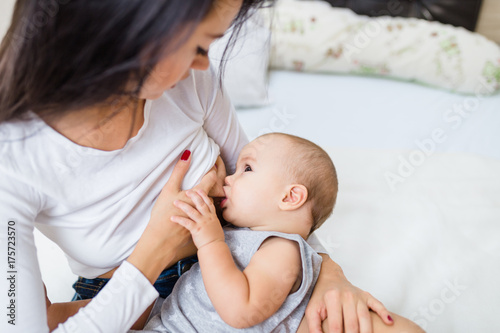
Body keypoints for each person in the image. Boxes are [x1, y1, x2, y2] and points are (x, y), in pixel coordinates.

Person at [0, 1, 394, 332]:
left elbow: (277, 189)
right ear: (136, 35)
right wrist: (155, 249)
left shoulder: (188, 83)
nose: (203, 66)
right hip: (128, 304)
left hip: (248, 265)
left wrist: (326, 270)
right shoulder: (12, 163)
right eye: (200, 47)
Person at [137, 133, 424, 333]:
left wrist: (210, 240)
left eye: (246, 168)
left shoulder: (282, 249)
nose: (228, 179)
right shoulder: (249, 236)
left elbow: (241, 311)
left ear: (289, 198)